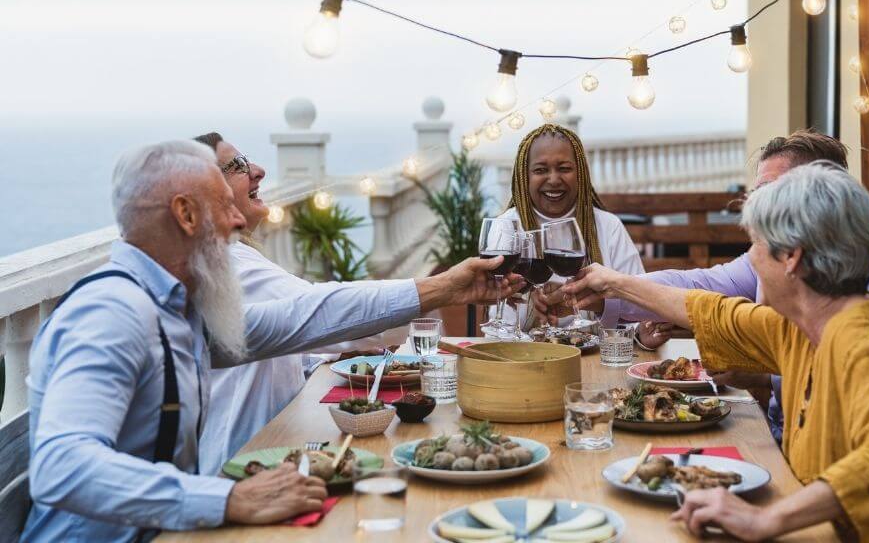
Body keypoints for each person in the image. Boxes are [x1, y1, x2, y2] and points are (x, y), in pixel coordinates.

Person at [22, 140, 517, 542]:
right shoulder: (110, 315)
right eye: (224, 207)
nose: (240, 222)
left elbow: (302, 316)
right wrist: (226, 500)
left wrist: (443, 287)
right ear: (185, 215)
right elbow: (62, 468)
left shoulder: (175, 310)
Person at [561, 162, 869, 541]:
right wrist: (612, 283)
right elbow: (711, 311)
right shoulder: (805, 326)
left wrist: (766, 520)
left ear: (791, 258)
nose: (749, 259)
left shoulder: (864, 339)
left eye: (755, 246)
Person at [537, 130, 869, 442]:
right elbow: (706, 298)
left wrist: (763, 374)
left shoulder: (867, 313)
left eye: (767, 194)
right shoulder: (809, 282)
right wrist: (609, 290)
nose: (754, 210)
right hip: (783, 438)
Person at [193, 132, 403, 475]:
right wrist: (438, 290)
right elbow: (321, 314)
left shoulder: (234, 257)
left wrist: (321, 356)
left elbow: (282, 342)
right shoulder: (230, 263)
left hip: (269, 452)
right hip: (244, 470)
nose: (258, 171)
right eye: (237, 166)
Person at [493, 123, 643, 328]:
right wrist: (535, 310)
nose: (554, 179)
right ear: (524, 177)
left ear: (580, 174)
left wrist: (597, 303)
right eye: (540, 170)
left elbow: (640, 306)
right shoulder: (507, 228)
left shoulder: (608, 226)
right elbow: (498, 325)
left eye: (564, 168)